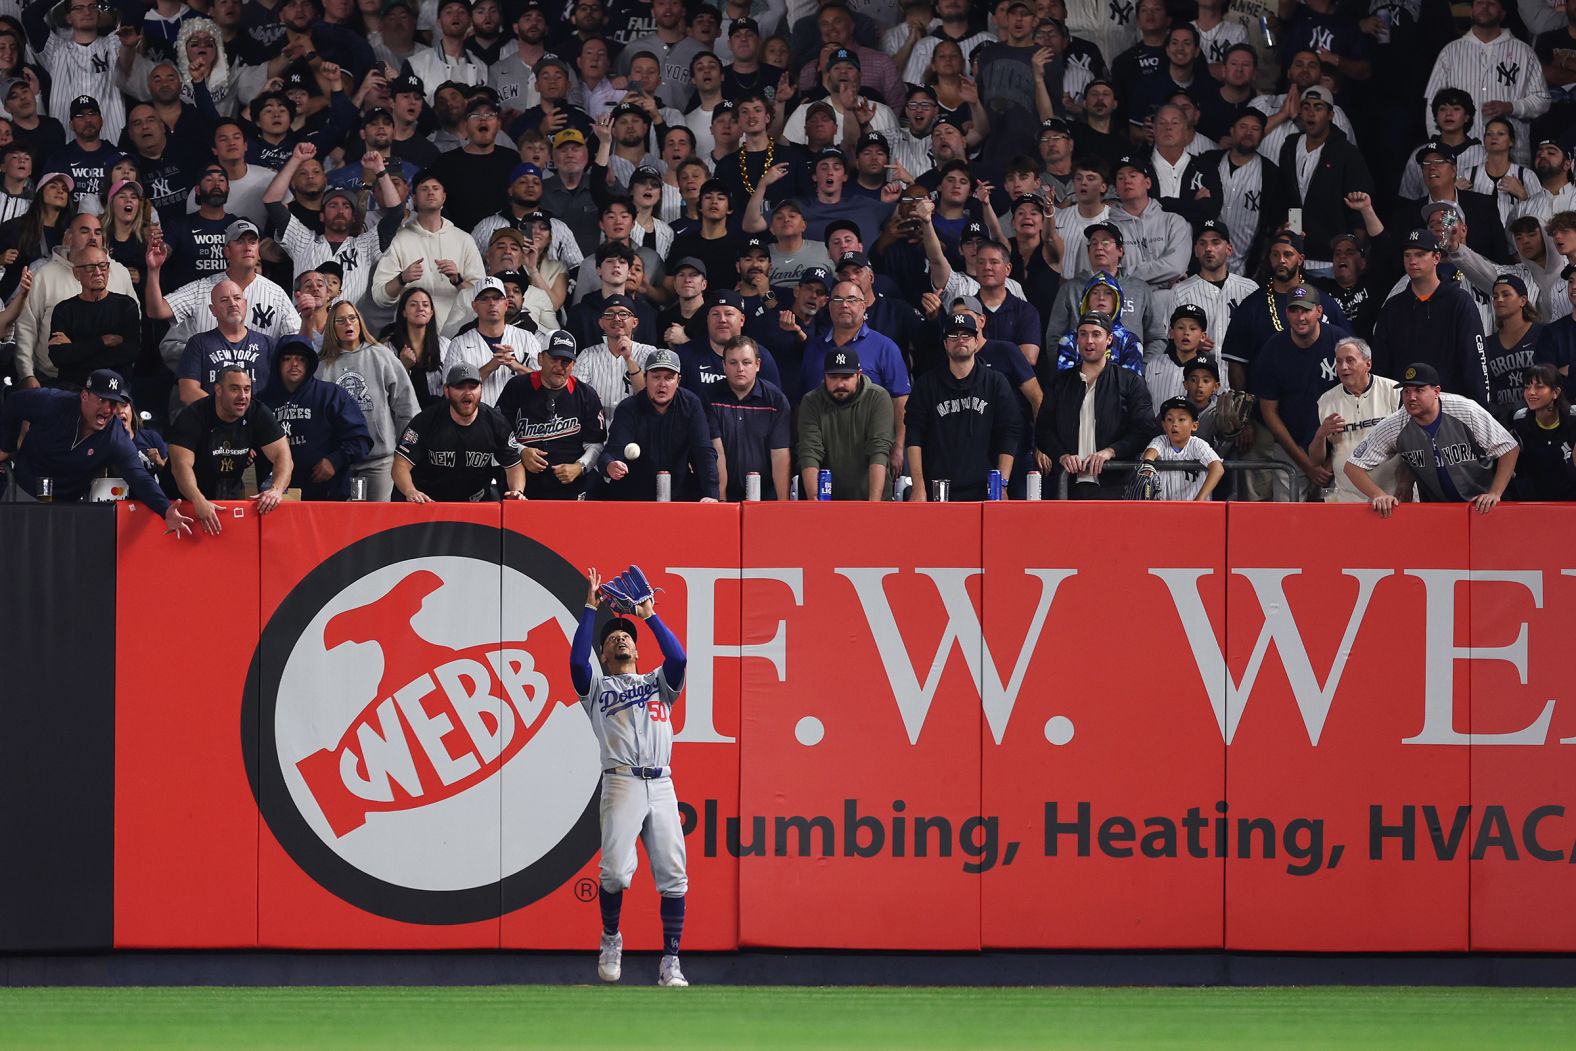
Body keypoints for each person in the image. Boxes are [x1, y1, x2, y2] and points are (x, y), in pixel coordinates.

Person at [571, 566, 691, 988]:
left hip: (661, 783)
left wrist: (648, 616)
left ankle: (670, 962)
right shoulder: (597, 689)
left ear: (637, 652)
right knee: (616, 875)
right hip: (621, 780)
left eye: (625, 638)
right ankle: (610, 938)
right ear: (603, 655)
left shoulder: (658, 683)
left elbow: (678, 658)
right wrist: (590, 609)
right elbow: (575, 661)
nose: (620, 639)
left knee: (673, 875)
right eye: (611, 640)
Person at [0, 369, 190, 535]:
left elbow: (139, 477)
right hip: (24, 491)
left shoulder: (115, 436)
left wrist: (165, 509)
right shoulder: (52, 402)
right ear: (84, 396)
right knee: (15, 552)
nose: (108, 409)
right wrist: (5, 447)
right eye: (101, 399)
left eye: (114, 403)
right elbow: (13, 403)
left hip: (67, 506)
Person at [1346, 361, 1520, 515]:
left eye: (1419, 390)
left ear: (1436, 391)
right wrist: (1379, 495)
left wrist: (1495, 493)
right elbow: (1353, 466)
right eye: (1406, 391)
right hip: (1437, 512)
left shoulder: (1465, 410)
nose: (1411, 397)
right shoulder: (1395, 424)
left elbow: (1508, 447)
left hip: (1484, 507)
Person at [1037, 311, 1158, 498]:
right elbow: (1043, 430)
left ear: (1109, 339)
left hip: (1116, 485)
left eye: (1096, 334)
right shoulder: (1059, 383)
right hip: (1066, 486)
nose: (1089, 341)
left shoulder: (1130, 381)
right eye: (1083, 334)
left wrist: (1111, 452)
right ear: (1077, 340)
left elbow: (1145, 429)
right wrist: (1062, 456)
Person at [905, 311, 1020, 501]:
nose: (960, 340)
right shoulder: (926, 385)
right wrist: (918, 487)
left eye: (967, 335)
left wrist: (1002, 485)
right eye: (953, 335)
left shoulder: (995, 382)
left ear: (976, 342)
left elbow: (1010, 433)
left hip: (984, 491)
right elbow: (914, 436)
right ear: (945, 344)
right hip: (938, 490)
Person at [167, 364, 294, 534]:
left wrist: (276, 490)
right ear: (218, 390)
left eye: (247, 389)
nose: (243, 396)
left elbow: (283, 455)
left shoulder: (258, 412)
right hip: (182, 501)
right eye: (235, 389)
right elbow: (180, 466)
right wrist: (198, 500)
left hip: (227, 496)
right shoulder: (193, 416)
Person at [316, 299, 420, 501]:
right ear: (331, 327)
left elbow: (407, 408)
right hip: (339, 463)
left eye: (352, 318)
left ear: (360, 322)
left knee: (378, 524)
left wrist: (405, 452)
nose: (348, 324)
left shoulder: (382, 356)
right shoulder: (323, 365)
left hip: (380, 462)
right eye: (340, 320)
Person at [1371, 229, 1491, 404]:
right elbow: (1381, 366)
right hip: (1404, 408)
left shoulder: (1459, 301)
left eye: (1420, 254)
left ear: (1436, 258)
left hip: (1451, 407)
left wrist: (1481, 410)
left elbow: (1475, 361)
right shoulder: (1392, 307)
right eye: (1407, 255)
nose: (1412, 261)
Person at [1253, 284, 1343, 501]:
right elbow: (1269, 412)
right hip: (1291, 447)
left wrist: (1331, 463)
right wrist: (1306, 465)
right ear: (1286, 313)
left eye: (1306, 310)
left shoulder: (1339, 342)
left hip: (1338, 445)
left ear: (1319, 312)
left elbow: (1354, 396)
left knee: (1336, 520)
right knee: (1287, 519)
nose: (1300, 317)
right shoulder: (1273, 349)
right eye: (1294, 310)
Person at [494, 329, 607, 500]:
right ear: (540, 358)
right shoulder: (517, 387)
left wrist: (579, 467)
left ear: (574, 365)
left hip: (569, 490)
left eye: (566, 361)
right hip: (523, 489)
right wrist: (521, 451)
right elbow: (498, 434)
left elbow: (596, 444)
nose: (559, 367)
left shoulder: (586, 395)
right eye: (554, 359)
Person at [371, 171, 485, 338]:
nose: (430, 192)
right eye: (424, 188)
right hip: (412, 336)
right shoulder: (398, 239)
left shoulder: (464, 239)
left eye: (435, 188)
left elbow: (482, 296)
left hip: (457, 336)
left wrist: (458, 280)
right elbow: (380, 296)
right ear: (415, 199)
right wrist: (402, 278)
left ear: (444, 197)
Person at [258, 335, 372, 502]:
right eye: (287, 359)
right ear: (277, 363)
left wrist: (336, 460)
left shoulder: (332, 395)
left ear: (310, 363)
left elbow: (361, 439)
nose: (294, 364)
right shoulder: (261, 402)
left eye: (301, 359)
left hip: (327, 496)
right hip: (274, 498)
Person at [392, 361, 525, 502]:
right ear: (447, 391)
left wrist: (517, 491)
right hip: (427, 503)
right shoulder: (426, 420)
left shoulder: (496, 422)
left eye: (473, 387)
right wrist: (410, 490)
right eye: (460, 387)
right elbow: (400, 465)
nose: (467, 393)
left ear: (481, 388)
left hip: (474, 503)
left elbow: (514, 466)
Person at [1277, 87, 1375, 276]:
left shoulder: (1346, 153)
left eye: (1318, 107)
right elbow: (1290, 198)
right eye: (1306, 107)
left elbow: (1359, 211)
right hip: (1295, 256)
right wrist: (1291, 234)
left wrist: (1356, 253)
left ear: (1330, 114)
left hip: (1331, 260)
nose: (1311, 113)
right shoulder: (1290, 147)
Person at [597, 349, 718, 502]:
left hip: (679, 496)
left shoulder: (691, 404)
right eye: (656, 377)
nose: (662, 384)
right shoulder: (628, 408)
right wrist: (610, 465)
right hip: (633, 499)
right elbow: (612, 452)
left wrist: (711, 494)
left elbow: (704, 452)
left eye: (669, 378)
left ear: (678, 380)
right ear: (645, 378)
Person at [1308, 336, 1403, 504]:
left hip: (1393, 496)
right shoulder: (1326, 401)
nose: (1343, 367)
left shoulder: (1395, 393)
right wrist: (1321, 435)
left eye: (1350, 360)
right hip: (1347, 500)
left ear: (1368, 364)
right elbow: (1316, 462)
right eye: (1338, 362)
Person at [795, 346, 894, 501]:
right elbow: (809, 453)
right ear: (825, 376)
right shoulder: (811, 401)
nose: (840, 384)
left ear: (858, 375)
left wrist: (874, 505)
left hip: (870, 498)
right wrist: (814, 503)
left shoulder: (878, 398)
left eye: (846, 377)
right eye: (833, 377)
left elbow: (879, 451)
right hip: (827, 502)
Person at [706, 334, 791, 501]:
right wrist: (721, 502)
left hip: (766, 496)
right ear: (723, 365)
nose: (740, 369)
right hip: (724, 495)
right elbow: (717, 453)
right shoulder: (709, 398)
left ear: (757, 365)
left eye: (746, 362)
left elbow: (780, 454)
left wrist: (783, 505)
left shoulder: (776, 400)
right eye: (733, 363)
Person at [44, 245, 140, 389]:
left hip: (115, 389)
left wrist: (75, 350)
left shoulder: (126, 306)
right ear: (77, 273)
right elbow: (59, 357)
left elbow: (129, 352)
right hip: (73, 388)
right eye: (90, 267)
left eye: (103, 266)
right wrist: (103, 341)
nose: (98, 272)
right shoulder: (63, 310)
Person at [443, 277, 540, 406]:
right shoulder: (458, 344)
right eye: (484, 298)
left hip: (520, 419)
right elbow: (450, 390)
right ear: (474, 306)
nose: (492, 303)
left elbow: (545, 382)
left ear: (506, 304)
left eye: (497, 297)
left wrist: (518, 367)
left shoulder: (528, 338)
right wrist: (490, 367)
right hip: (477, 421)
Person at [1509, 363, 1576, 500]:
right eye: (1527, 387)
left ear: (1555, 392)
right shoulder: (1519, 420)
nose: (1531, 392)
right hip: (1534, 503)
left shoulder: (1573, 418)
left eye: (1539, 387)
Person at [1139, 396, 1224, 501]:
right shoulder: (1161, 441)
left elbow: (1218, 468)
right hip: (1164, 509)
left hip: (1194, 510)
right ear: (1164, 425)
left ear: (1194, 426)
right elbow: (1151, 452)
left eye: (1181, 419)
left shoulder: (1198, 445)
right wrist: (1148, 463)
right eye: (1169, 419)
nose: (1174, 424)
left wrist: (1199, 500)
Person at [384, 285, 450, 410]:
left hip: (440, 417)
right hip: (403, 417)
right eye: (413, 305)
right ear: (403, 312)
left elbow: (454, 384)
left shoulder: (445, 345)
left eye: (425, 305)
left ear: (431, 313)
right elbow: (382, 390)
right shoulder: (387, 348)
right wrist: (403, 367)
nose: (420, 309)